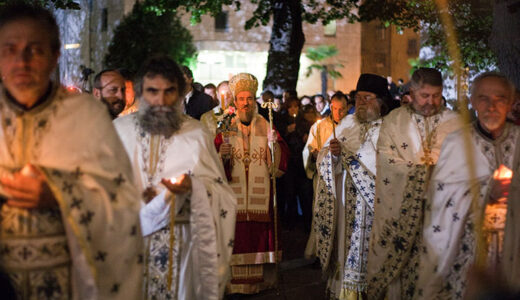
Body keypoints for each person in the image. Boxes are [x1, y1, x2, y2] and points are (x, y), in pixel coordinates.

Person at [0, 3, 143, 299]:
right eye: (9, 49)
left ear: (55, 56)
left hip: (68, 281)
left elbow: (122, 199)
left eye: (35, 49)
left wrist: (59, 193)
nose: (21, 61)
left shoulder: (86, 116)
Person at [114, 56, 236, 299]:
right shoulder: (118, 131)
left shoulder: (196, 133)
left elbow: (223, 194)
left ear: (180, 93)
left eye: (169, 91)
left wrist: (195, 187)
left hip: (182, 248)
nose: (160, 100)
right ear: (139, 92)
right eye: (152, 91)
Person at [414, 72, 520, 299]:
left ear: (511, 102)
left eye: (500, 98)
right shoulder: (458, 142)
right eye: (483, 98)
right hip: (467, 255)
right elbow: (440, 200)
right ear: (472, 101)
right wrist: (486, 190)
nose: (491, 106)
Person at [367, 68, 463, 300]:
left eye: (436, 96)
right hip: (400, 215)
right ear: (412, 92)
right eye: (424, 96)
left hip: (440, 220)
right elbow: (387, 160)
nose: (431, 102)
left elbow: (464, 166)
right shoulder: (394, 121)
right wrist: (423, 173)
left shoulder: (456, 124)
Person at [314, 74, 395, 299]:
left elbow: (391, 168)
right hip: (346, 206)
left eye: (367, 98)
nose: (361, 103)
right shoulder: (348, 124)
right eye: (358, 98)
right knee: (347, 250)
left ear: (381, 101)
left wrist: (352, 159)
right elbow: (325, 158)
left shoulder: (390, 128)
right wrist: (335, 156)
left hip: (375, 206)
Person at [215, 73, 289, 295]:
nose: (245, 103)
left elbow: (281, 160)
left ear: (254, 99)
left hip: (259, 196)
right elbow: (211, 162)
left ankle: (260, 283)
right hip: (233, 196)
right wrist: (222, 154)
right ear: (234, 101)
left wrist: (274, 146)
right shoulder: (225, 126)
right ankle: (231, 284)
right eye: (241, 98)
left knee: (256, 237)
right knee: (234, 237)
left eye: (249, 98)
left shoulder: (266, 124)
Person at [302, 92, 348, 259]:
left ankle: (340, 250)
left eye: (342, 109)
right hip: (323, 178)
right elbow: (309, 148)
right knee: (322, 212)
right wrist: (313, 154)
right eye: (335, 109)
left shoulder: (351, 126)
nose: (338, 113)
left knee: (342, 214)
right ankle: (319, 251)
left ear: (347, 108)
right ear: (330, 107)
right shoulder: (319, 127)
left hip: (344, 178)